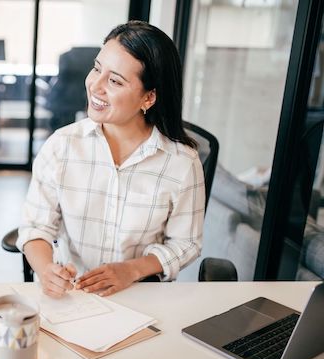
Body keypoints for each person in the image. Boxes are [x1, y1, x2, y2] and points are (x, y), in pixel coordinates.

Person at [17, 21, 205, 298]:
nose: (95, 85)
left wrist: (130, 270)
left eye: (115, 81)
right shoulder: (62, 146)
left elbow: (186, 243)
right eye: (96, 68)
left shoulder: (181, 162)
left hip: (142, 295)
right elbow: (35, 227)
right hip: (73, 295)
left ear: (149, 97)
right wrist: (46, 270)